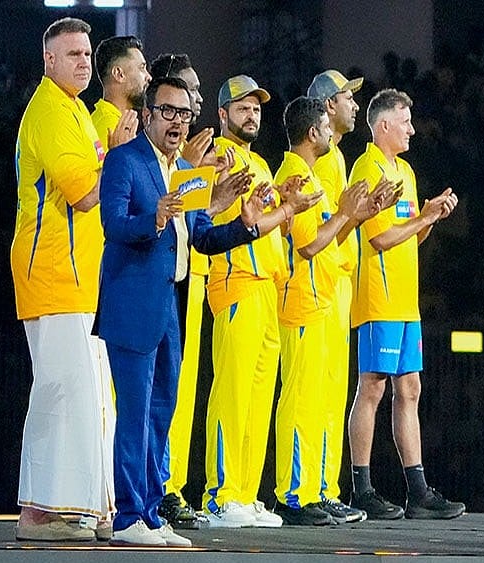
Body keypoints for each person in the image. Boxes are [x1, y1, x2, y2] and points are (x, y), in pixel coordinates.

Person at [97, 76, 318, 546]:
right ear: (148, 114)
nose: (178, 121)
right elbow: (114, 224)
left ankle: (152, 515)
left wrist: (244, 223)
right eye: (168, 111)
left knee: (162, 414)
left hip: (170, 307)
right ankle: (127, 517)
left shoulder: (183, 172)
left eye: (183, 113)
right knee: (134, 414)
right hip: (132, 305)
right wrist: (154, 217)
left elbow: (202, 237)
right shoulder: (124, 160)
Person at [11, 17, 115, 543]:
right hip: (51, 269)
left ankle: (74, 508)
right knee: (60, 391)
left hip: (80, 275)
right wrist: (121, 156)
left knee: (84, 393)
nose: (83, 61)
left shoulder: (75, 110)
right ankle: (38, 513)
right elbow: (86, 193)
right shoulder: (50, 110)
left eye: (87, 53)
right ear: (49, 60)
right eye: (72, 53)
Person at [346, 89, 465, 520]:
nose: (412, 128)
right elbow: (378, 237)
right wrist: (424, 218)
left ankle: (418, 491)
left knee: (409, 388)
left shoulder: (406, 171)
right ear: (383, 127)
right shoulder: (367, 167)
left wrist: (429, 216)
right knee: (373, 387)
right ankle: (362, 487)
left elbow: (410, 234)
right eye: (405, 121)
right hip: (378, 299)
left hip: (405, 300)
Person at [270, 96, 380, 525]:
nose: (331, 135)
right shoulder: (294, 175)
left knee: (319, 402)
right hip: (300, 303)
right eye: (325, 128)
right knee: (300, 401)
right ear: (313, 133)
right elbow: (309, 243)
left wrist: (357, 215)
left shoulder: (309, 173)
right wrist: (345, 214)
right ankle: (294, 495)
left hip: (320, 300)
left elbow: (328, 237)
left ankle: (317, 488)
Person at [200, 75, 285, 528]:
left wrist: (286, 208)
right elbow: (204, 217)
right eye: (242, 107)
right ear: (222, 114)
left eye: (256, 107)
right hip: (235, 283)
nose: (251, 114)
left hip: (266, 285)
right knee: (231, 395)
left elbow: (267, 223)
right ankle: (218, 496)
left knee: (256, 399)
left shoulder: (261, 164)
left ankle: (245, 494)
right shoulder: (215, 157)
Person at [146, 52, 211, 529]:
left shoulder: (182, 159)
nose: (188, 110)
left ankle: (166, 487)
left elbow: (199, 228)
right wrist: (189, 170)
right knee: (149, 396)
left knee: (176, 393)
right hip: (146, 288)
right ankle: (152, 491)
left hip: (184, 279)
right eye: (179, 101)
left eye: (191, 105)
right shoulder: (139, 151)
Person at [306, 69, 374, 524]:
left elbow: (340, 225)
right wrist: (354, 215)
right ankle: (307, 488)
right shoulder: (324, 161)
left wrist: (361, 214)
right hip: (322, 284)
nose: (354, 105)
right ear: (329, 105)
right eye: (348, 97)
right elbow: (318, 234)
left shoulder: (336, 158)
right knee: (315, 392)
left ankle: (325, 487)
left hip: (338, 281)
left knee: (331, 393)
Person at [90, 35, 149, 153]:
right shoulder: (108, 125)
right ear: (119, 74)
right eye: (142, 68)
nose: (149, 77)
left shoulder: (118, 121)